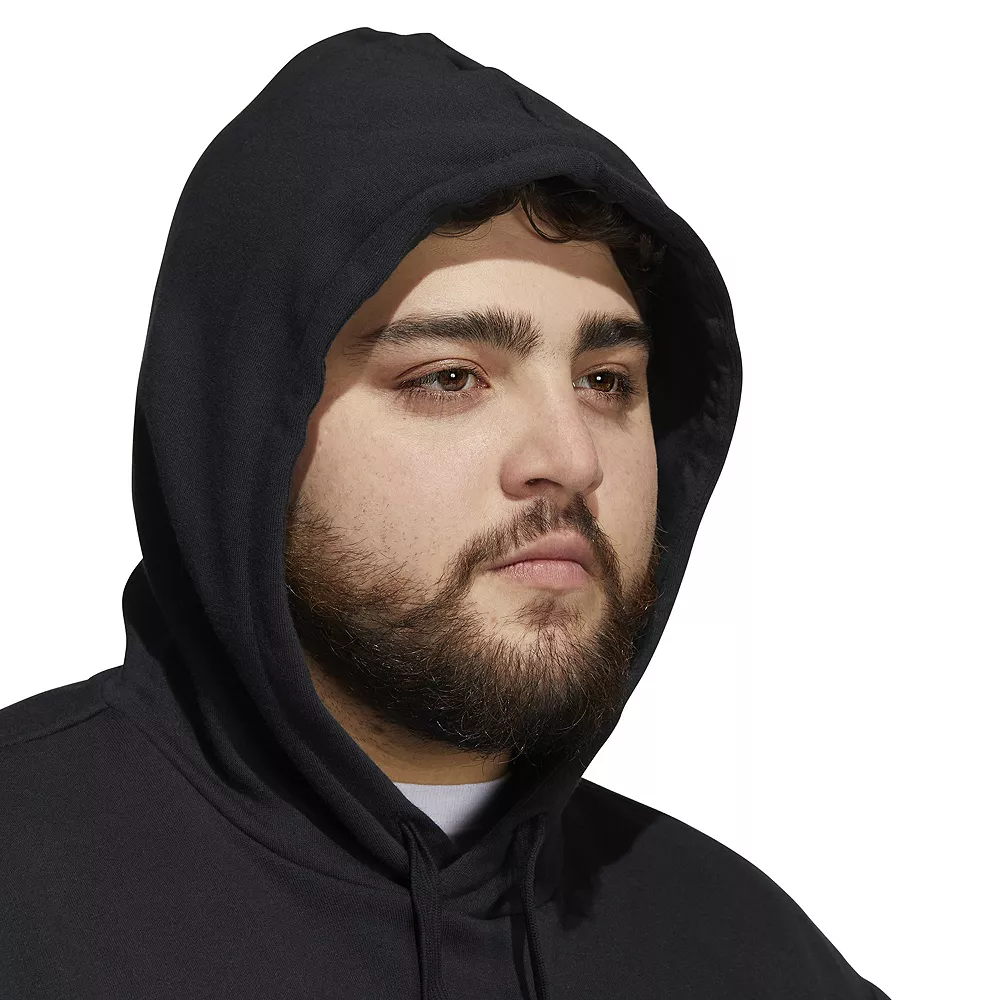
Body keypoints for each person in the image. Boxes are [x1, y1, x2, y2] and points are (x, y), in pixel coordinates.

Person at [0, 27, 891, 1000]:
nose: (571, 458)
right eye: (450, 377)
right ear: (243, 431)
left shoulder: (751, 953)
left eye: (605, 380)